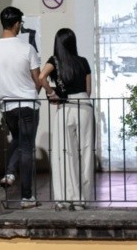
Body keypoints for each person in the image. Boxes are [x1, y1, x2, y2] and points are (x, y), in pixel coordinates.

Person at [0, 6, 41, 209]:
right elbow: (36, 79)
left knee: (18, 139)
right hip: (28, 103)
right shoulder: (27, 48)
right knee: (27, 148)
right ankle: (27, 196)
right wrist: (34, 89)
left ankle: (10, 173)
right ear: (17, 23)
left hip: (7, 105)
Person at [39, 28, 94, 211]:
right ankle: (82, 200)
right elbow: (88, 90)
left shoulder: (54, 60)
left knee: (64, 154)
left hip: (66, 107)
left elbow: (41, 77)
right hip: (84, 106)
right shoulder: (83, 62)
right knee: (85, 153)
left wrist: (52, 93)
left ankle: (66, 197)